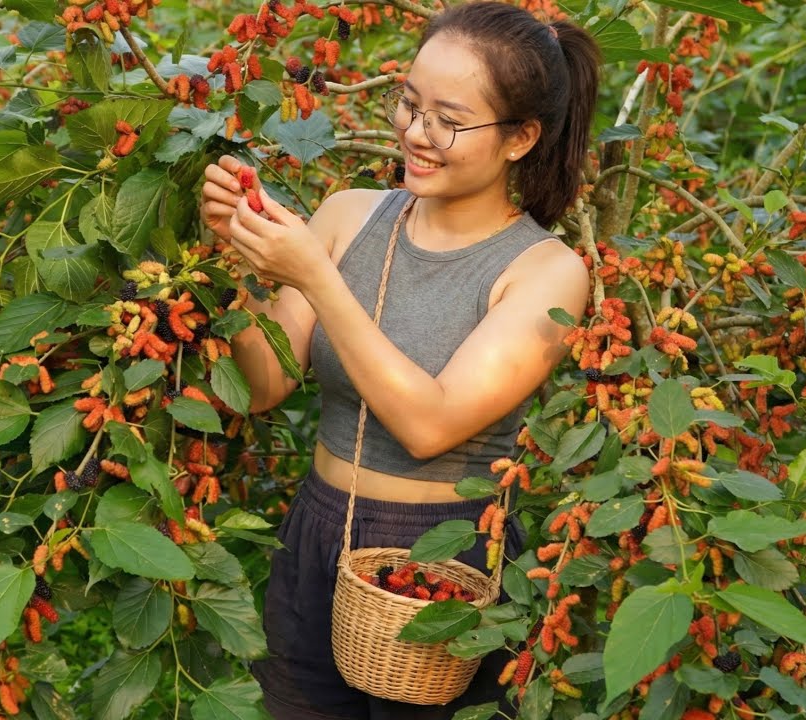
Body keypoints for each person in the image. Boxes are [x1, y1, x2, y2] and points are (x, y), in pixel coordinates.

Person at [201, 2, 600, 717]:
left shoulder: (544, 271)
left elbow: (430, 425)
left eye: (448, 119)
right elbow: (260, 385)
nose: (416, 133)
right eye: (408, 104)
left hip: (446, 558)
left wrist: (316, 278)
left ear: (521, 139)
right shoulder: (349, 215)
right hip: (315, 533)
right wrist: (234, 256)